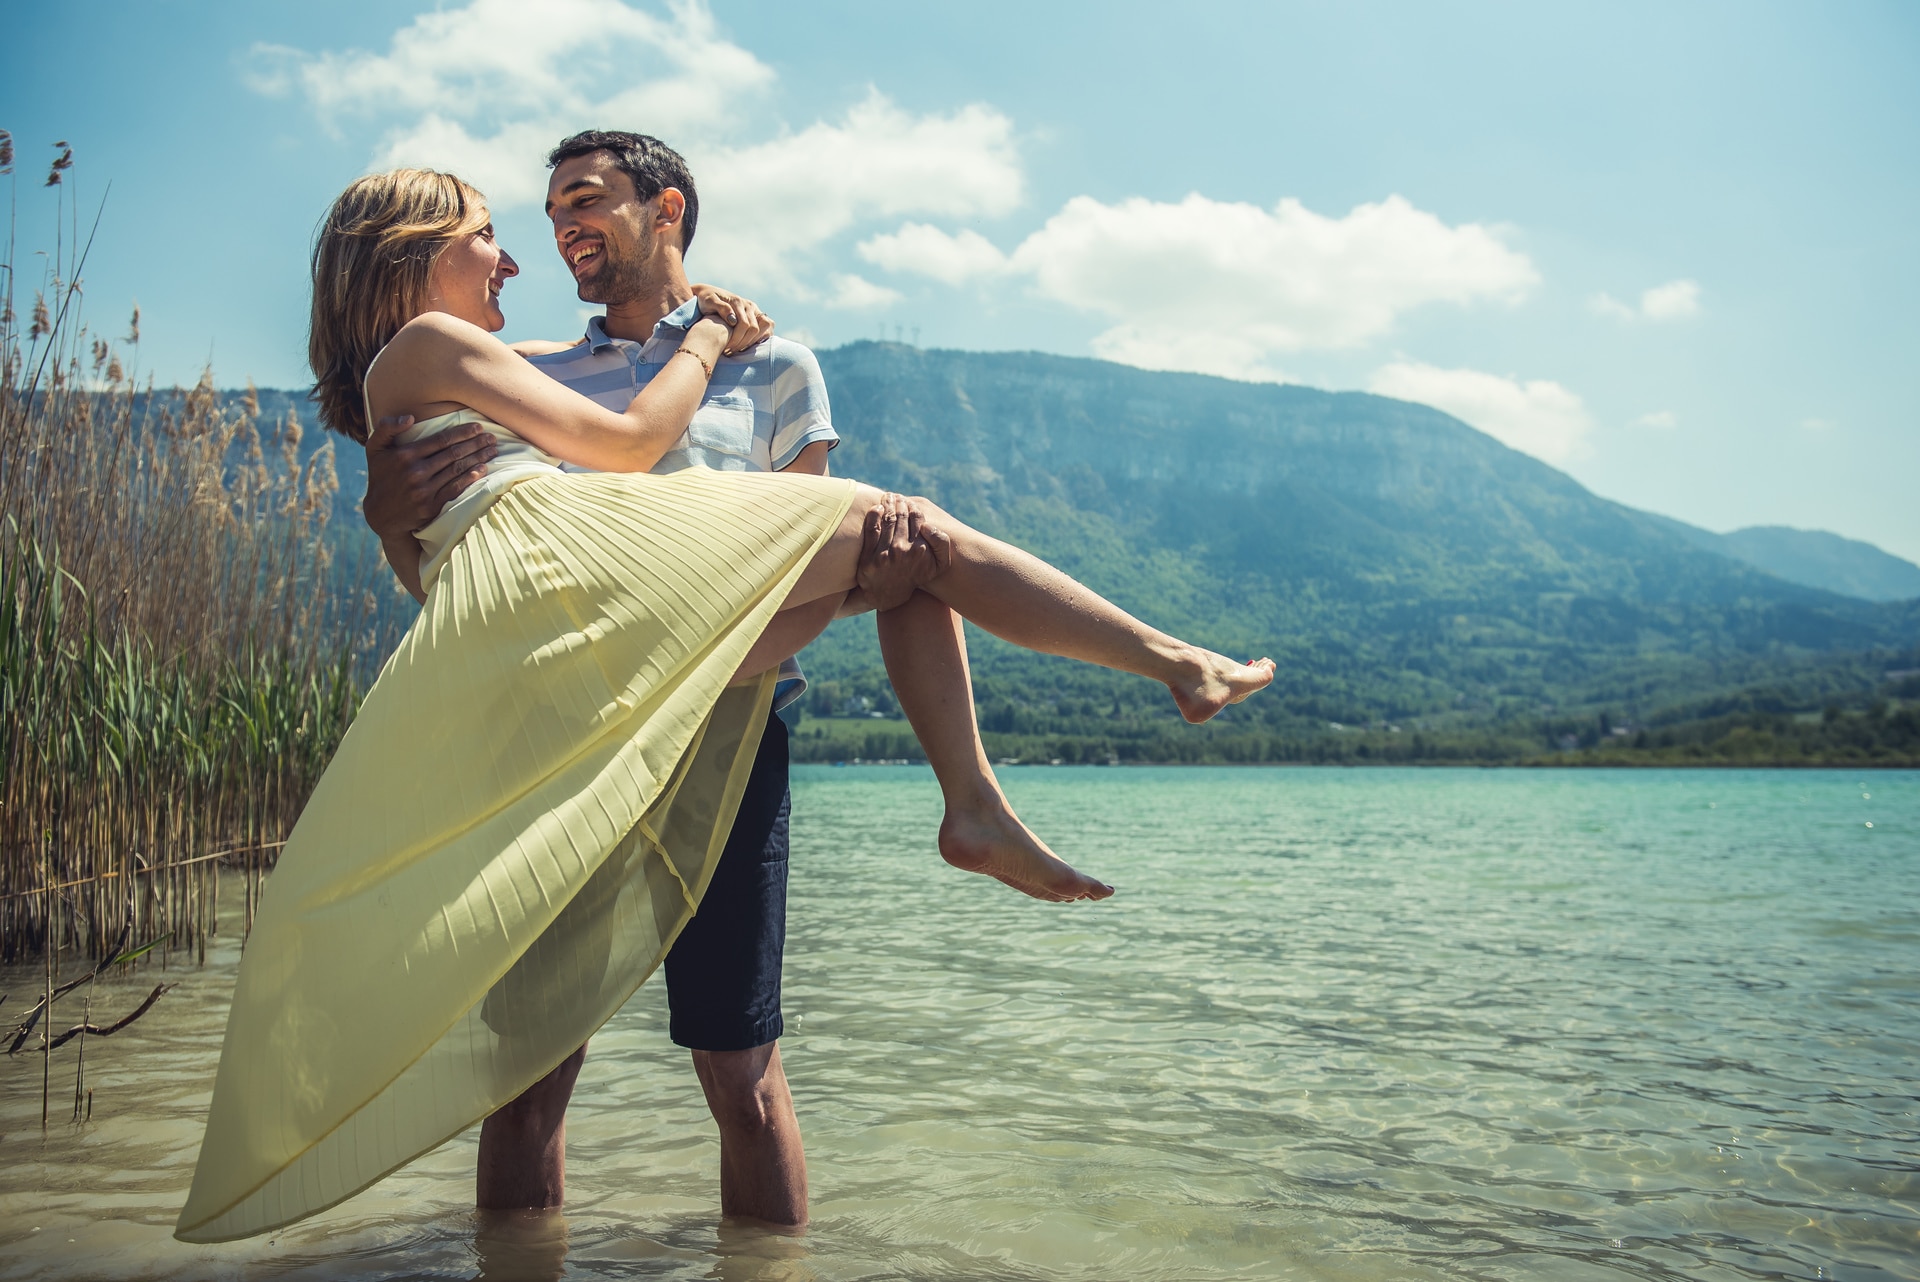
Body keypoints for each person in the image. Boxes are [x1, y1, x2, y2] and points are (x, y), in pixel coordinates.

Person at [174, 164, 1271, 1245]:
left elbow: (449, 571)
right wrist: (701, 336)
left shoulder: (538, 368)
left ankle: (986, 798)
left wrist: (394, 521)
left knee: (902, 559)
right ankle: (1160, 678)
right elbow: (624, 448)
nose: (517, 254)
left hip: (634, 658)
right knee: (921, 538)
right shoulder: (451, 349)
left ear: (667, 210)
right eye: (492, 231)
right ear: (411, 254)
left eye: (574, 204)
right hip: (596, 600)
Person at [362, 132, 1104, 1230]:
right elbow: (491, 567)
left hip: (738, 732)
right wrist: (387, 518)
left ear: (665, 209)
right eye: (545, 210)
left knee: (744, 1080)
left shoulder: (781, 369)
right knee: (527, 1083)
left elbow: (797, 562)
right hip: (568, 750)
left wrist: (869, 582)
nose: (555, 229)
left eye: (583, 198)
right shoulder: (526, 374)